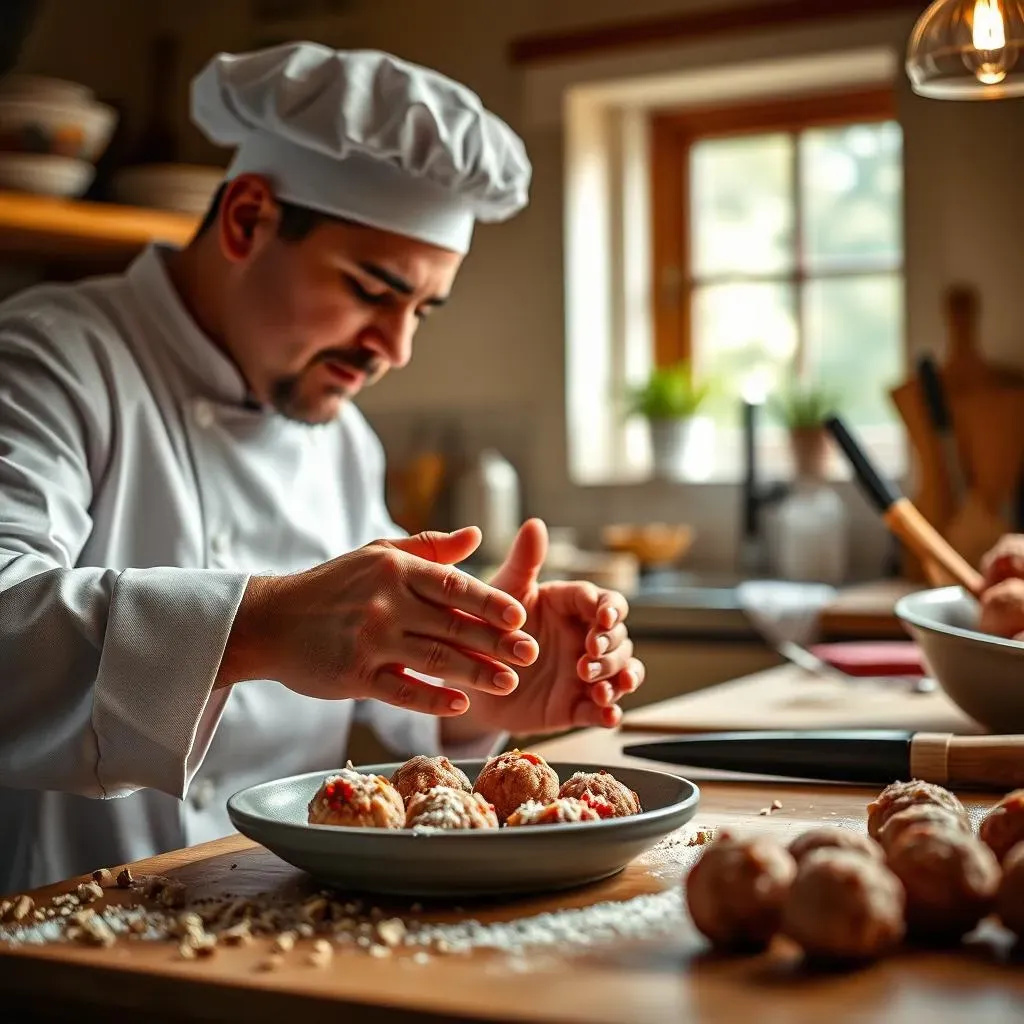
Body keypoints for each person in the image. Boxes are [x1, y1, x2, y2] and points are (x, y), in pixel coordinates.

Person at [0, 43, 645, 892]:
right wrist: (254, 625)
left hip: (272, 919)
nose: (397, 347)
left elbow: (366, 668)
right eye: (373, 290)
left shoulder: (343, 440)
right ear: (247, 219)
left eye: (420, 308)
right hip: (55, 931)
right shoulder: (49, 359)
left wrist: (481, 690)